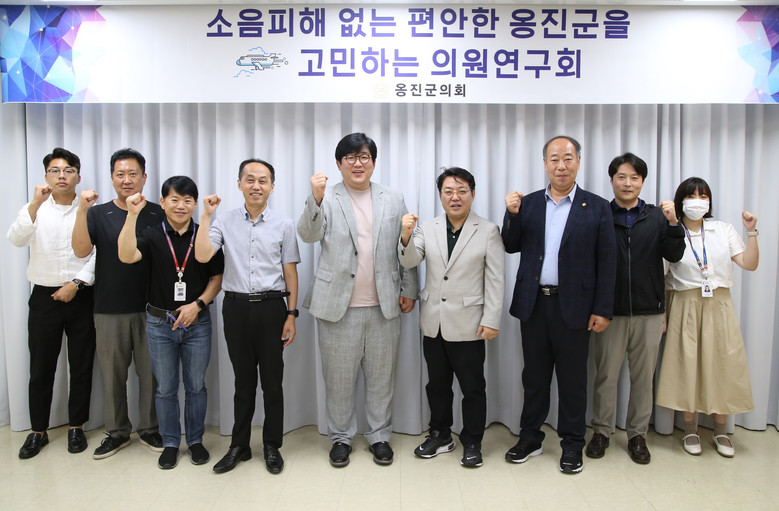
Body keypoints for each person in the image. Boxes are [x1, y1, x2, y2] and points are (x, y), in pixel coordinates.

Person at [297, 132, 418, 467]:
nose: (358, 163)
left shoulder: (393, 198)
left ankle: (379, 436)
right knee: (338, 380)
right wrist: (315, 199)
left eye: (364, 156)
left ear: (374, 162)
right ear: (339, 163)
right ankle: (341, 438)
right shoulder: (326, 197)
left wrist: (408, 289)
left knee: (382, 378)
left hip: (384, 305)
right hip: (337, 307)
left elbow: (406, 243)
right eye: (350, 157)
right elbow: (307, 235)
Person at [501, 135, 616, 474]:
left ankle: (572, 443)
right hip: (534, 305)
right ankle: (530, 437)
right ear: (545, 163)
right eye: (554, 159)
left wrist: (602, 309)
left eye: (567, 158)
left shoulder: (597, 207)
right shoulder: (529, 203)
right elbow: (510, 245)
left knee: (572, 380)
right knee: (534, 377)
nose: (561, 165)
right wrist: (511, 214)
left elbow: (607, 262)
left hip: (576, 307)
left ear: (578, 162)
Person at [195, 159, 299, 474]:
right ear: (239, 183)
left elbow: (290, 273)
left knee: (272, 382)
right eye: (250, 179)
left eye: (263, 180)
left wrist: (291, 314)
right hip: (236, 308)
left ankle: (272, 446)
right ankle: (239, 446)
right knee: (243, 382)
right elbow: (202, 255)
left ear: (272, 187)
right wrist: (205, 215)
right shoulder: (224, 221)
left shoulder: (284, 224)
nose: (256, 186)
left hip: (272, 308)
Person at [399, 167, 504, 468]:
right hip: (434, 322)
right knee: (437, 385)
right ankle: (440, 434)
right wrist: (405, 236)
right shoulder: (427, 228)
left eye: (461, 191)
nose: (455, 197)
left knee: (473, 388)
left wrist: (491, 319)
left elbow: (496, 279)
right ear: (440, 195)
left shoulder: (488, 230)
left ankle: (472, 441)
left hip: (470, 323)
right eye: (448, 191)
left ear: (473, 194)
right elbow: (410, 260)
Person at [117, 176, 224, 469]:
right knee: (165, 388)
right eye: (174, 199)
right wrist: (131, 215)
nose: (181, 205)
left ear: (195, 204)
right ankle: (170, 443)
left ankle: (196, 441)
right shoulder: (152, 234)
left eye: (188, 200)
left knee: (196, 386)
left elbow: (217, 278)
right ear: (163, 202)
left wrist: (197, 306)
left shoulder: (204, 235)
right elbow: (126, 256)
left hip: (197, 323)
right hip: (159, 324)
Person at [586, 153, 685, 464]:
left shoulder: (657, 217)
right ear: (611, 180)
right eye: (621, 177)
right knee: (606, 376)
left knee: (643, 378)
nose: (627, 183)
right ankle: (601, 431)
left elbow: (675, 255)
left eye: (634, 178)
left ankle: (637, 435)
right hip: (609, 311)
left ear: (642, 181)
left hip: (649, 311)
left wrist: (674, 223)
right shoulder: (600, 213)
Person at [656, 177, 758, 458]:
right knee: (687, 365)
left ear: (709, 201)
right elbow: (661, 278)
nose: (697, 201)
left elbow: (749, 264)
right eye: (691, 196)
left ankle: (721, 431)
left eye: (703, 196)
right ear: (680, 201)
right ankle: (690, 429)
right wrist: (663, 315)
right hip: (685, 303)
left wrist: (752, 232)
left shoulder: (723, 229)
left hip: (719, 305)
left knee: (723, 364)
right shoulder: (671, 232)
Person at [72, 148, 164, 459]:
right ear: (112, 177)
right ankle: (117, 432)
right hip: (109, 307)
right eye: (120, 174)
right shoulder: (98, 213)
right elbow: (81, 251)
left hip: (152, 308)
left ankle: (150, 428)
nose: (127, 180)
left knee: (151, 374)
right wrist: (82, 211)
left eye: (133, 174)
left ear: (144, 177)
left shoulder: (159, 213)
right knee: (112, 376)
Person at [8, 148, 97, 459]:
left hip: (82, 295)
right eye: (55, 170)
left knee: (81, 364)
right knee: (41, 367)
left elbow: (98, 253)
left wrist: (77, 283)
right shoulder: (34, 209)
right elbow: (16, 239)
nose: (62, 176)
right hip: (44, 297)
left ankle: (76, 427)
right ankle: (38, 431)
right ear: (46, 176)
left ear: (78, 177)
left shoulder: (88, 210)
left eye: (68, 170)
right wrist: (34, 204)